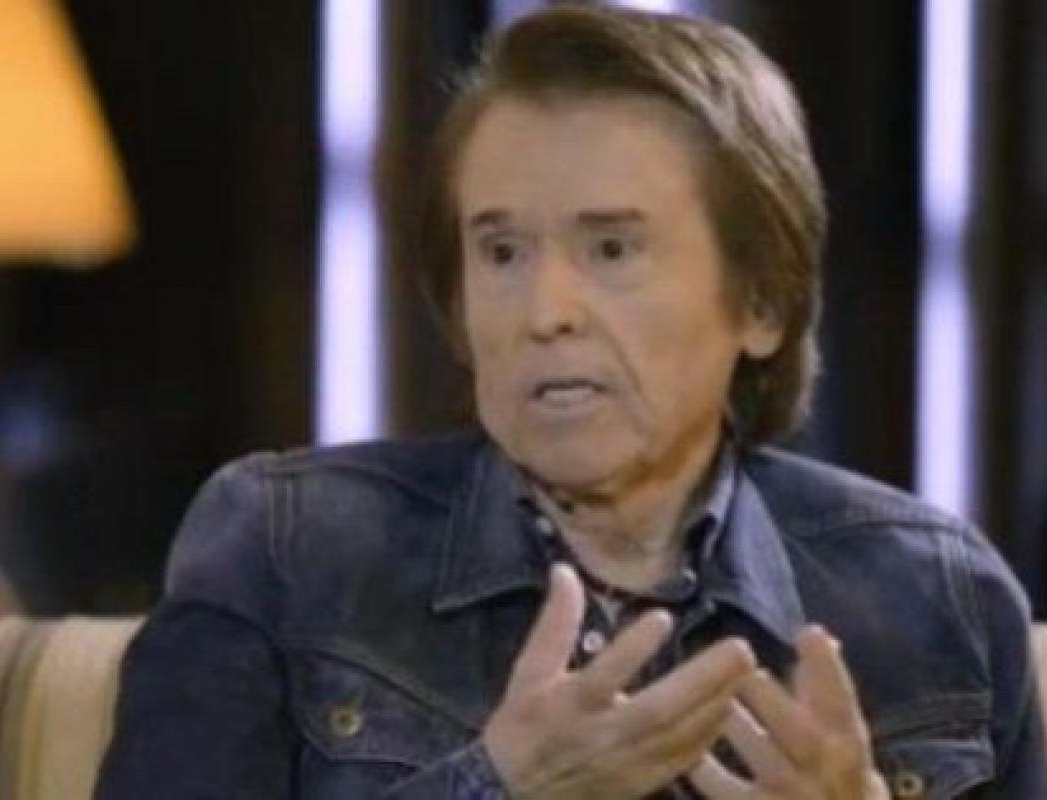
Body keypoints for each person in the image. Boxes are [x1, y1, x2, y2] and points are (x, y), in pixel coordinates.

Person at [96, 5, 1044, 798]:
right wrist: (498, 787)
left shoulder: (938, 600)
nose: (545, 311)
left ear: (760, 301)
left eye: (612, 249)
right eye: (501, 252)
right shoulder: (285, 550)